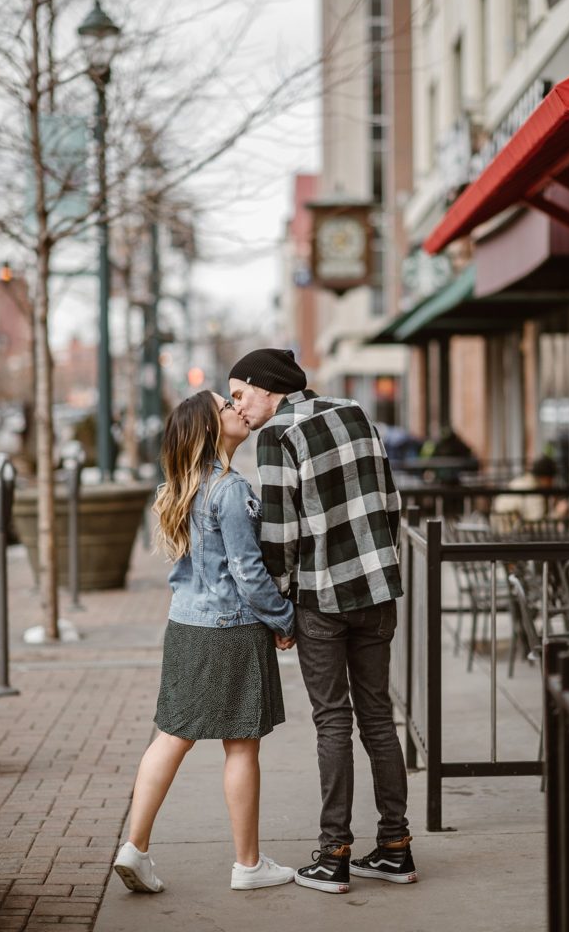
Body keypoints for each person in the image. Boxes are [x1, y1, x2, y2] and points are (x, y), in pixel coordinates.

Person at [229, 348, 416, 895]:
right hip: (378, 591)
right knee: (379, 718)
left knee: (334, 721)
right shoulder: (355, 412)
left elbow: (280, 538)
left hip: (322, 600)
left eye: (240, 394)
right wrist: (382, 563)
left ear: (267, 388)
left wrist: (279, 609)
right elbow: (390, 503)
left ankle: (334, 856)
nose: (239, 408)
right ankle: (396, 848)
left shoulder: (277, 436)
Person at [113, 391, 295, 895]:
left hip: (185, 628)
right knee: (241, 746)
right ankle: (248, 865)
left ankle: (135, 847)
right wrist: (283, 618)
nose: (239, 409)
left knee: (170, 736)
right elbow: (248, 571)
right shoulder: (230, 489)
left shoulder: (180, 487)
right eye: (226, 406)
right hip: (231, 630)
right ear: (209, 430)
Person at [492, 454, 567, 525]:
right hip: (511, 534)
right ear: (545, 478)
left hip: (501, 530)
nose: (552, 484)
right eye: (551, 479)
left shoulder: (524, 481)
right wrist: (558, 513)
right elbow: (538, 525)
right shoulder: (533, 489)